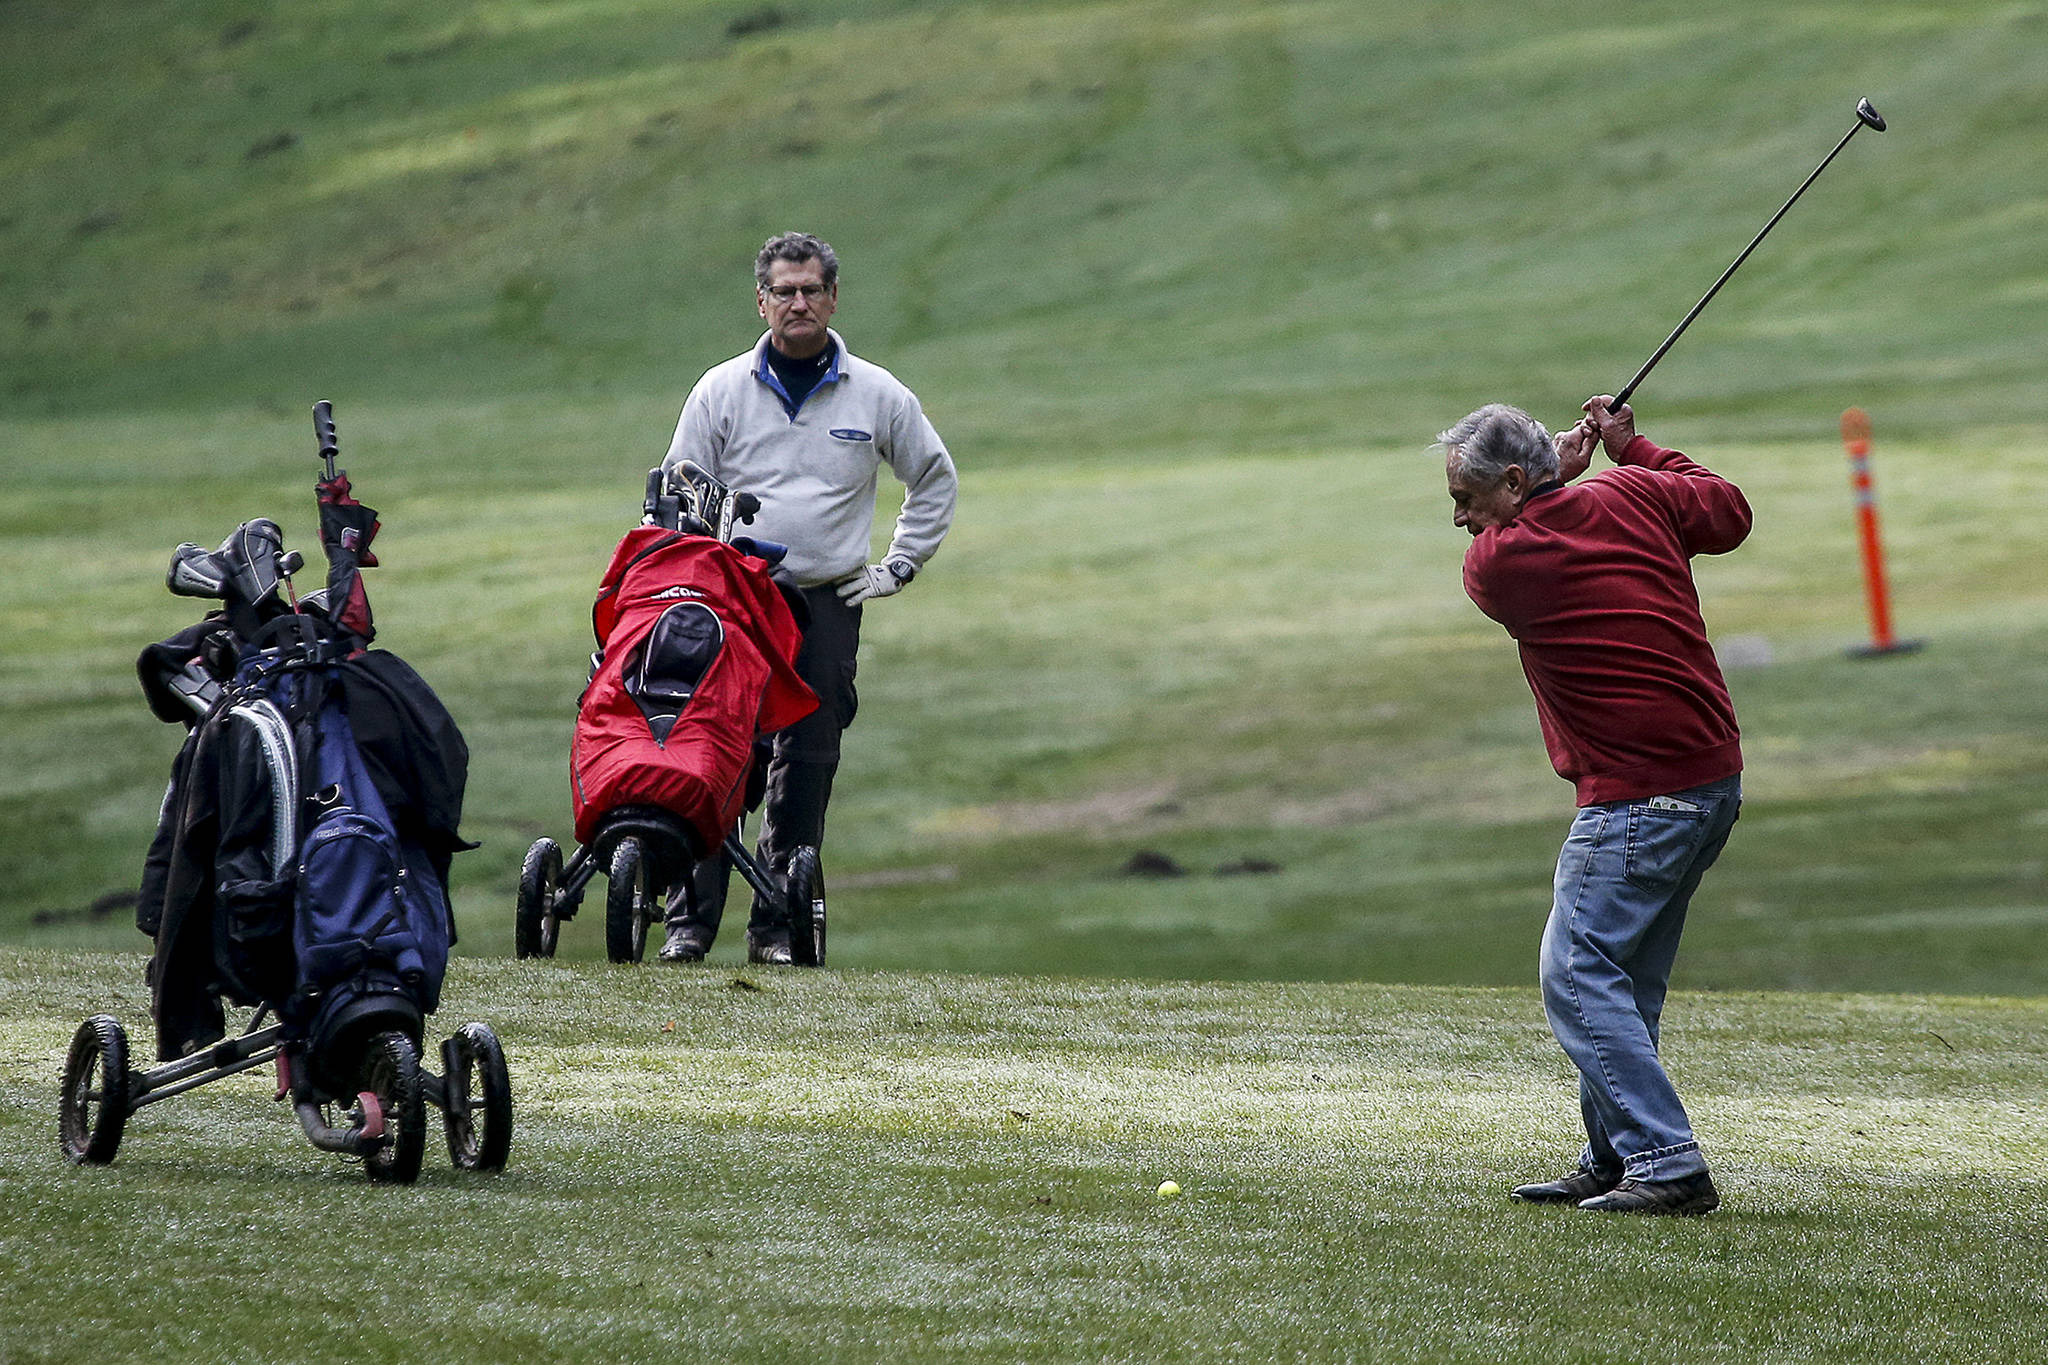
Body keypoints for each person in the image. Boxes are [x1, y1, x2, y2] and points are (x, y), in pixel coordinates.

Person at [1439, 396, 1751, 1215]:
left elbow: (1520, 539)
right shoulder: (1639, 491)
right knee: (1626, 980)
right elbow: (1727, 509)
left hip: (1637, 796)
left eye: (1466, 501)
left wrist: (1566, 476)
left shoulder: (1500, 564)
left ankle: (1667, 1161)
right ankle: (1615, 1156)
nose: (1462, 521)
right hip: (1710, 780)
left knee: (1576, 973)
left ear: (1512, 483)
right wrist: (1633, 450)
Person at [655, 231, 957, 965]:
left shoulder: (878, 393)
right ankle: (688, 928)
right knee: (715, 753)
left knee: (809, 757)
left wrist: (898, 565)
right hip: (733, 604)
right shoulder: (720, 389)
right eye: (784, 291)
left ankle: (775, 931)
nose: (799, 302)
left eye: (812, 289)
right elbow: (676, 490)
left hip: (826, 603)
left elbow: (934, 476)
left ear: (832, 298)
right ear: (761, 302)